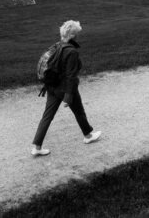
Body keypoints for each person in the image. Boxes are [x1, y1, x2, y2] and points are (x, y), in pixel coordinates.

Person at [31, 20, 101, 156]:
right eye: (78, 34)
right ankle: (88, 136)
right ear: (73, 35)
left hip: (52, 87)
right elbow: (71, 76)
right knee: (79, 112)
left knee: (47, 116)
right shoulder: (71, 52)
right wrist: (68, 96)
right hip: (65, 89)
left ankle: (37, 147)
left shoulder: (57, 46)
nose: (79, 36)